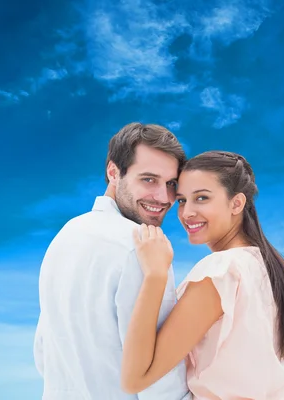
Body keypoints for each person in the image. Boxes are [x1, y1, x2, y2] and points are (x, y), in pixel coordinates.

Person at [120, 151, 284, 399]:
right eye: (181, 200)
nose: (186, 212)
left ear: (237, 203)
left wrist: (155, 275)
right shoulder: (267, 267)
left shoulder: (220, 272)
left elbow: (136, 378)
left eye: (201, 198)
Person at [33, 122, 191, 399]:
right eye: (149, 179)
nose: (164, 197)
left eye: (171, 184)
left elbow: (43, 354)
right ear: (113, 172)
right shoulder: (142, 247)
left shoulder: (66, 235)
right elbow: (161, 380)